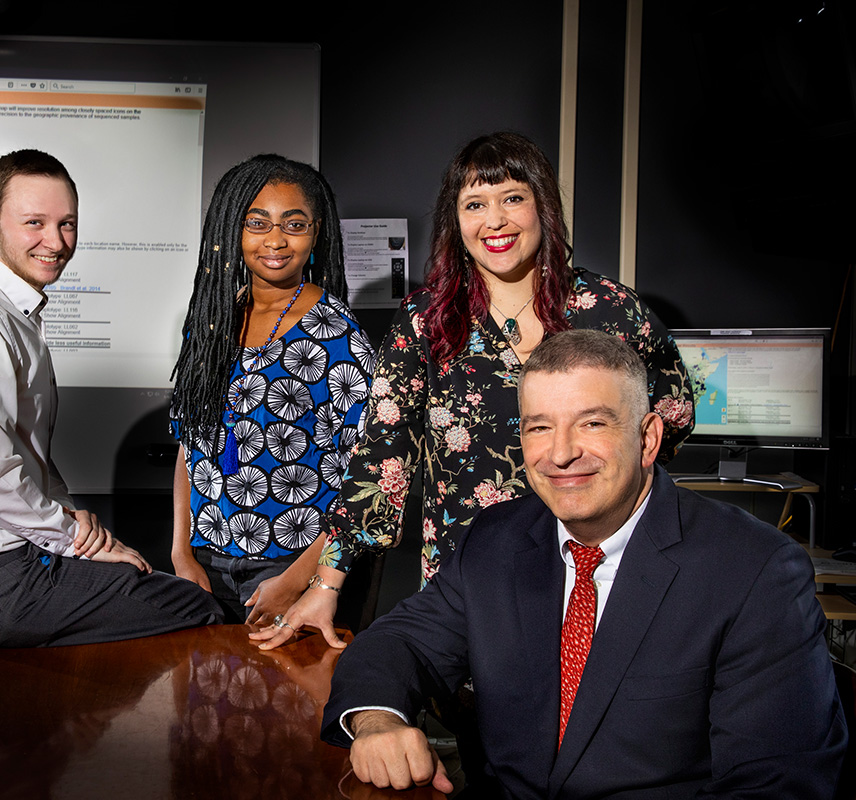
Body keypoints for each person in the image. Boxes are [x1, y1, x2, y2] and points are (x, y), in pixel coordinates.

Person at [322, 329, 846, 797]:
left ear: (648, 439)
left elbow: (778, 784)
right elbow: (400, 642)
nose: (561, 453)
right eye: (539, 428)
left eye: (592, 422)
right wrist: (376, 722)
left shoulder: (755, 570)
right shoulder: (497, 539)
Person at [253, 131, 695, 650]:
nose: (495, 221)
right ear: (455, 221)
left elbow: (672, 415)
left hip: (597, 569)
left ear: (543, 206)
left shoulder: (610, 310)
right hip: (470, 577)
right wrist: (328, 582)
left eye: (513, 198)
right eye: (475, 204)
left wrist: (610, 496)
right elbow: (381, 460)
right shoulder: (427, 321)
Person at [0, 149, 223, 646]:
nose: (55, 242)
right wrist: (78, 543)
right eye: (34, 222)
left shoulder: (14, 315)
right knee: (198, 606)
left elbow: (23, 453)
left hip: (5, 566)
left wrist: (74, 521)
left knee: (145, 580)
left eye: (67, 224)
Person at [169, 155, 373, 623]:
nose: (275, 240)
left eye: (294, 224)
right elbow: (190, 445)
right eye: (257, 223)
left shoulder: (339, 336)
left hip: (291, 566)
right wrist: (181, 552)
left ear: (317, 232)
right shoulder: (211, 321)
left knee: (285, 696)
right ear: (230, 230)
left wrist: (298, 581)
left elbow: (362, 479)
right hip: (205, 567)